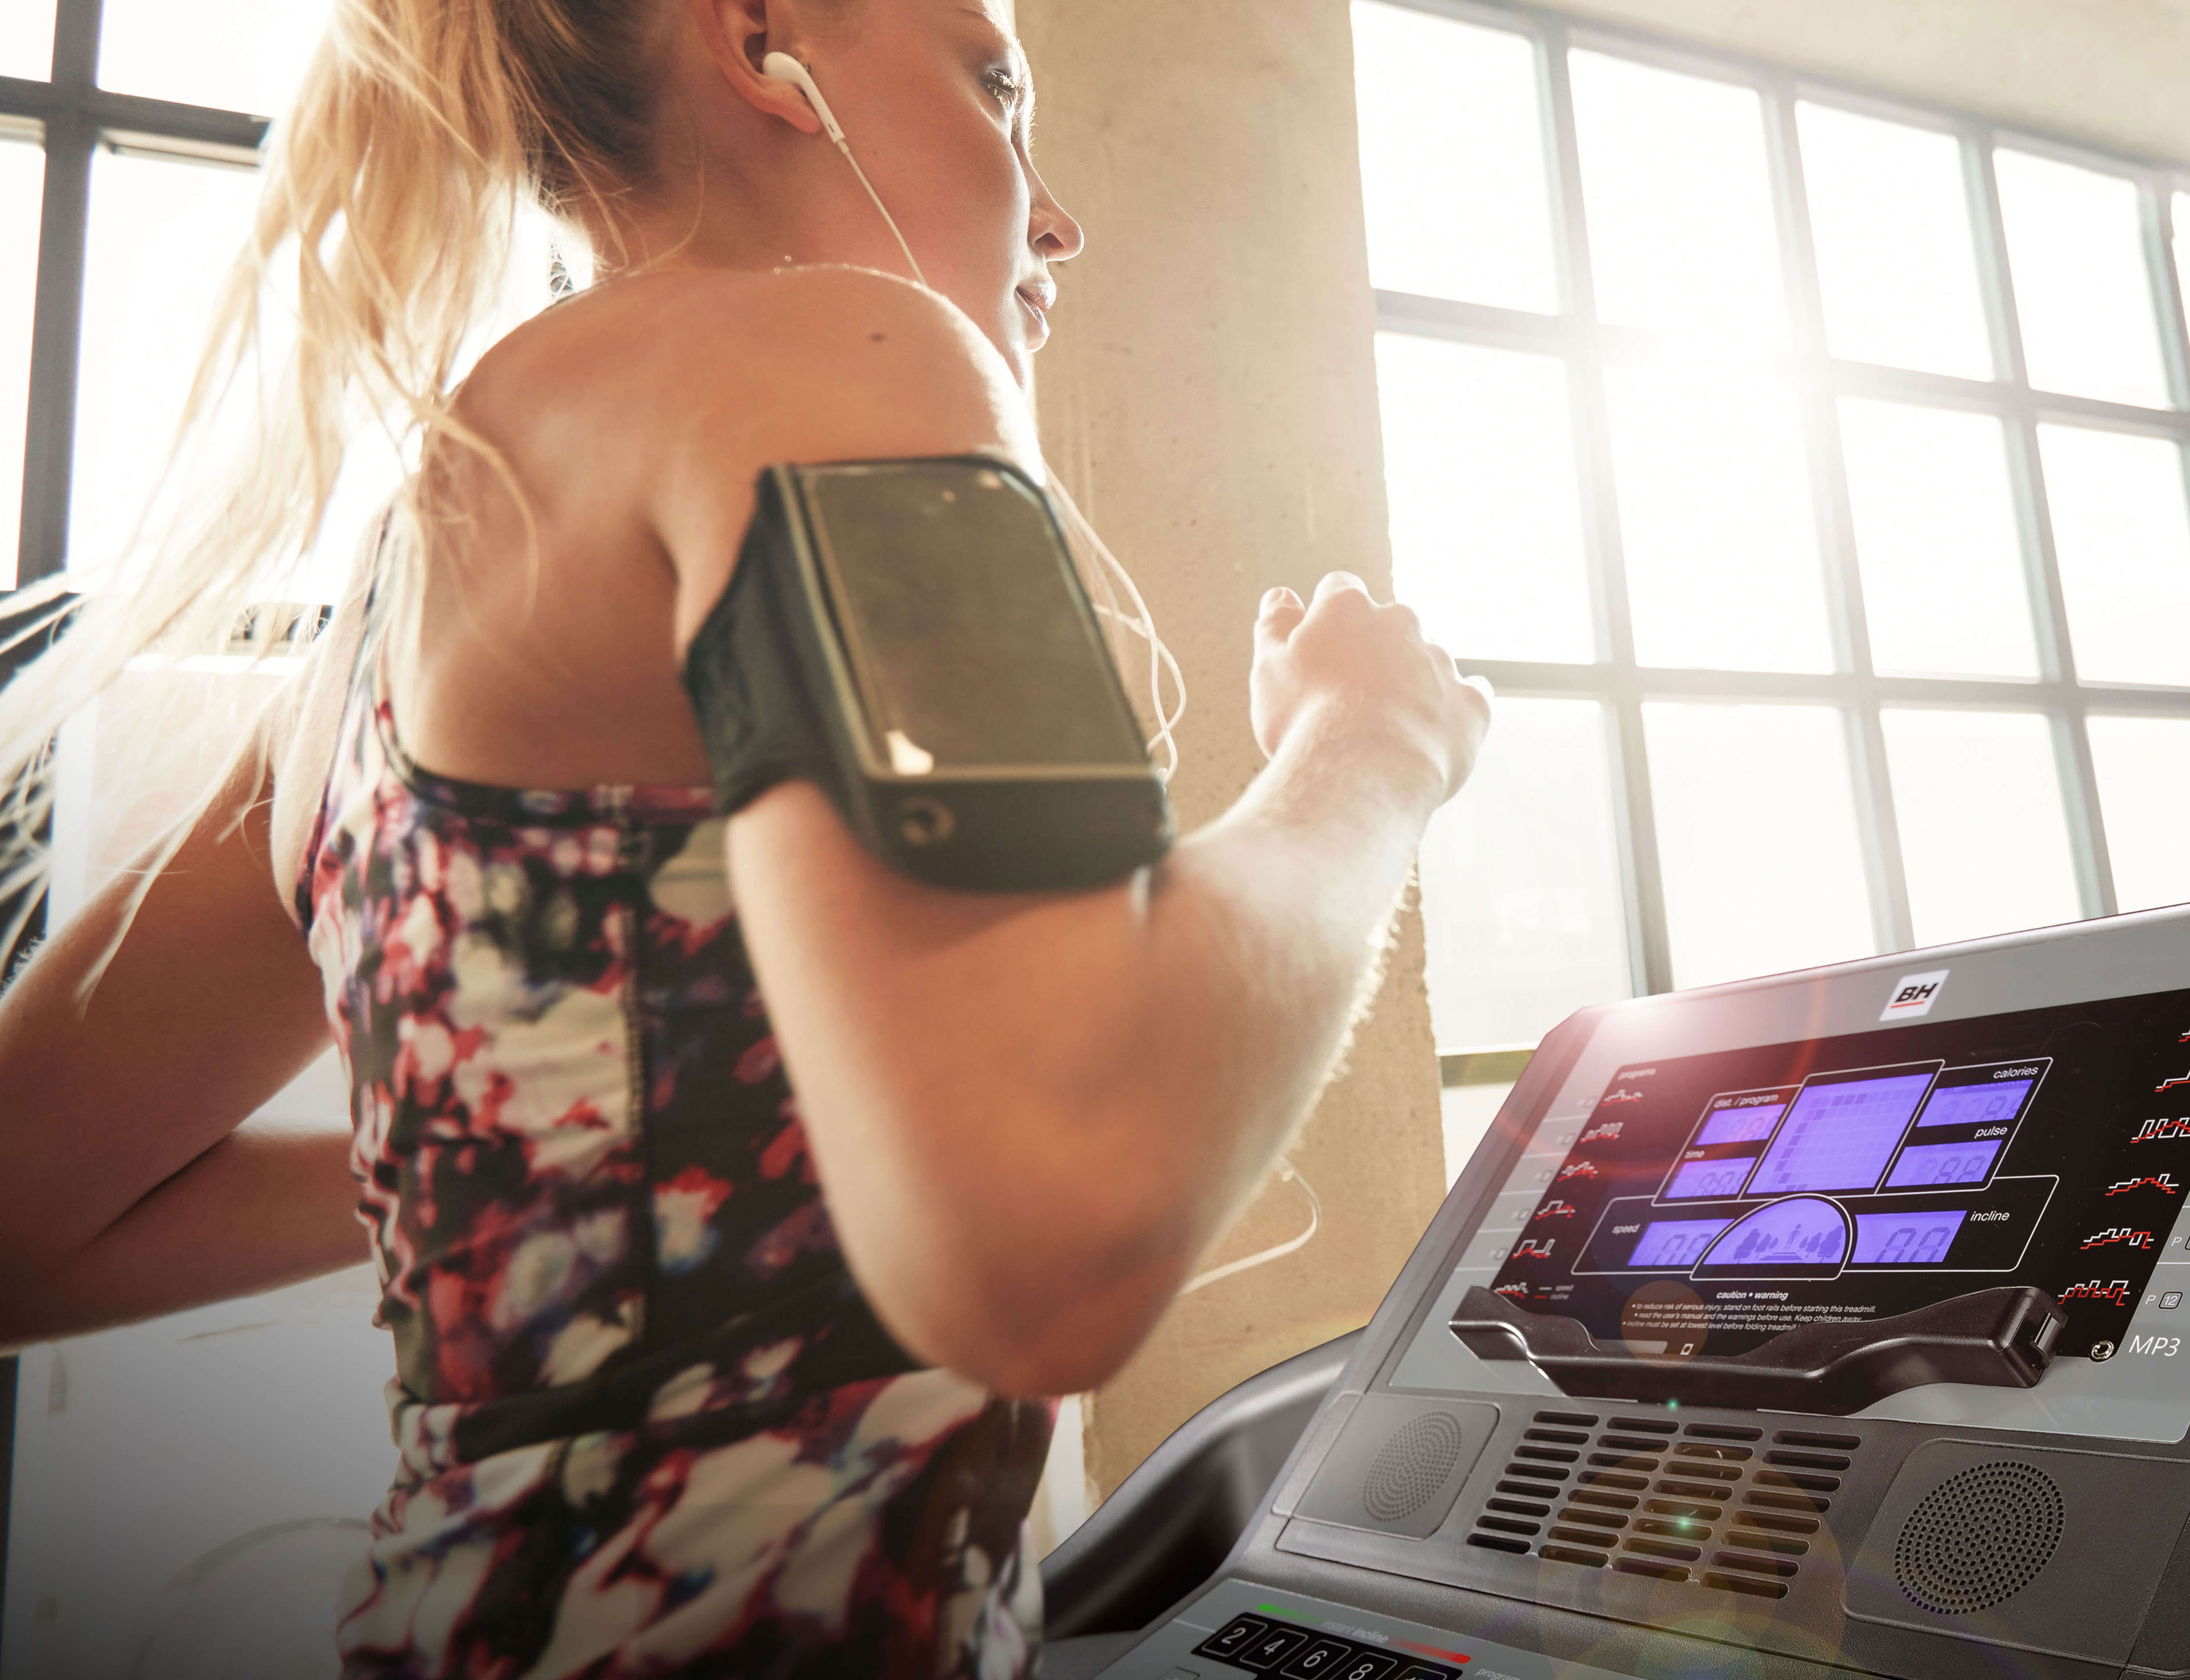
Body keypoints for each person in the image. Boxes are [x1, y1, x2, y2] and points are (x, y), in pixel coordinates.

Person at [0, 0, 1490, 1672]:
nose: (1056, 214)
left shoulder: (392, 599)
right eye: (993, 84)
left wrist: (572, 1169)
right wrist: (1370, 744)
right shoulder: (832, 353)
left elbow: (23, 1222)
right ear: (760, 36)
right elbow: (1053, 1234)